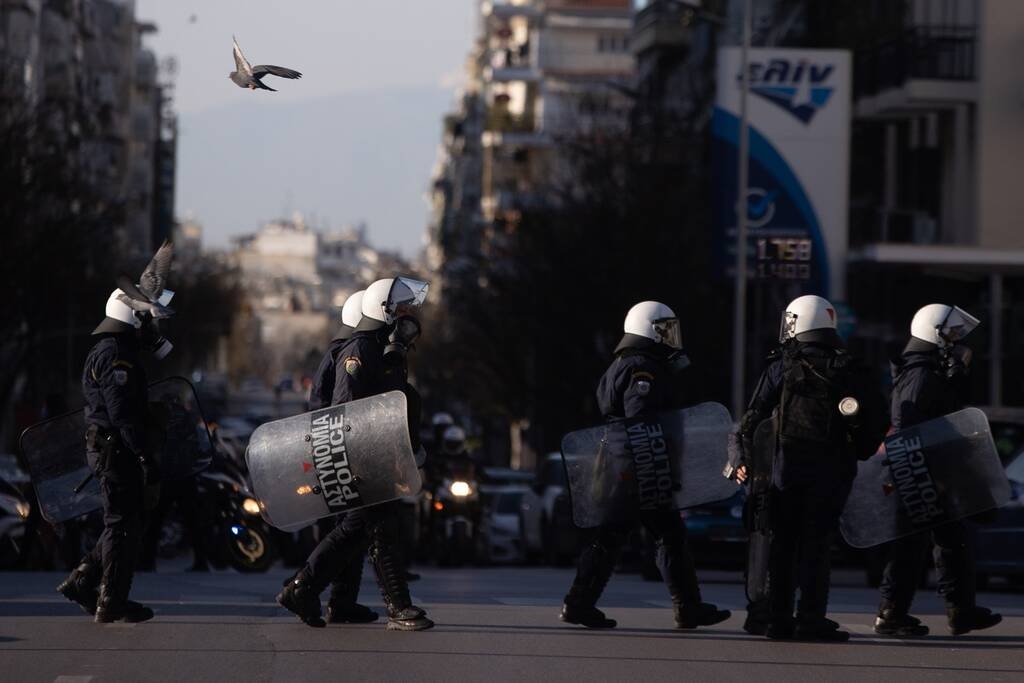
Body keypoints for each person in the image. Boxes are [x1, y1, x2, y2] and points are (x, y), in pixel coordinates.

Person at [561, 301, 729, 630]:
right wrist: (658, 467)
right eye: (665, 330)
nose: (671, 337)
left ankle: (580, 603)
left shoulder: (626, 363)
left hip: (627, 465)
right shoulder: (642, 368)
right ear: (648, 331)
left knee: (622, 537)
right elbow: (642, 420)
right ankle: (686, 607)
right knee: (664, 537)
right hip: (639, 466)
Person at [277, 277, 433, 631]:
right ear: (384, 310)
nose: (409, 314)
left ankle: (337, 599)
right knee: (366, 527)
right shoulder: (359, 350)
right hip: (359, 456)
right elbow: (345, 409)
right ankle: (306, 589)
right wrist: (359, 459)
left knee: (365, 529)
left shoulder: (384, 349)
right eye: (402, 307)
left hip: (377, 454)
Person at [737, 295, 871, 641]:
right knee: (817, 545)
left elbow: (753, 418)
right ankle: (811, 618)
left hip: (787, 469)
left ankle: (777, 620)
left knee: (782, 544)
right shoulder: (851, 367)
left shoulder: (781, 365)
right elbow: (873, 424)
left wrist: (742, 460)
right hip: (831, 472)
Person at [57, 242, 176, 623]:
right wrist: (144, 456)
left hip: (112, 448)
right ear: (133, 320)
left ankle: (84, 580)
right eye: (145, 320)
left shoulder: (111, 350)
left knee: (122, 521)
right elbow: (123, 413)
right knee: (123, 525)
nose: (150, 327)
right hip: (115, 449)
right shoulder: (116, 355)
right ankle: (112, 598)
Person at [874, 304, 1002, 637]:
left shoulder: (927, 370)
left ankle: (961, 611)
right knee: (913, 546)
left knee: (949, 540)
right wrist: (929, 470)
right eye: (952, 334)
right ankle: (892, 614)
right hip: (921, 471)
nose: (956, 340)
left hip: (927, 469)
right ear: (935, 333)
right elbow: (909, 424)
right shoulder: (920, 373)